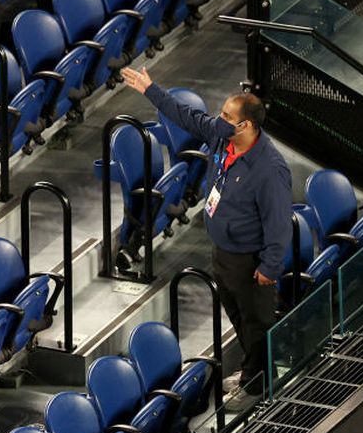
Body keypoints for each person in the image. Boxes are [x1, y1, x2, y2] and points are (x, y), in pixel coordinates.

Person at [121, 66, 292, 411]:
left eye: (228, 116)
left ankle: (257, 386)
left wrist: (270, 266)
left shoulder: (269, 168)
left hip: (251, 260)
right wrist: (151, 89)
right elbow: (186, 116)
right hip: (224, 252)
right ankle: (254, 373)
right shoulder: (220, 136)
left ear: (246, 125)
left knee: (257, 323)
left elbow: (278, 223)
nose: (220, 119)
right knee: (239, 318)